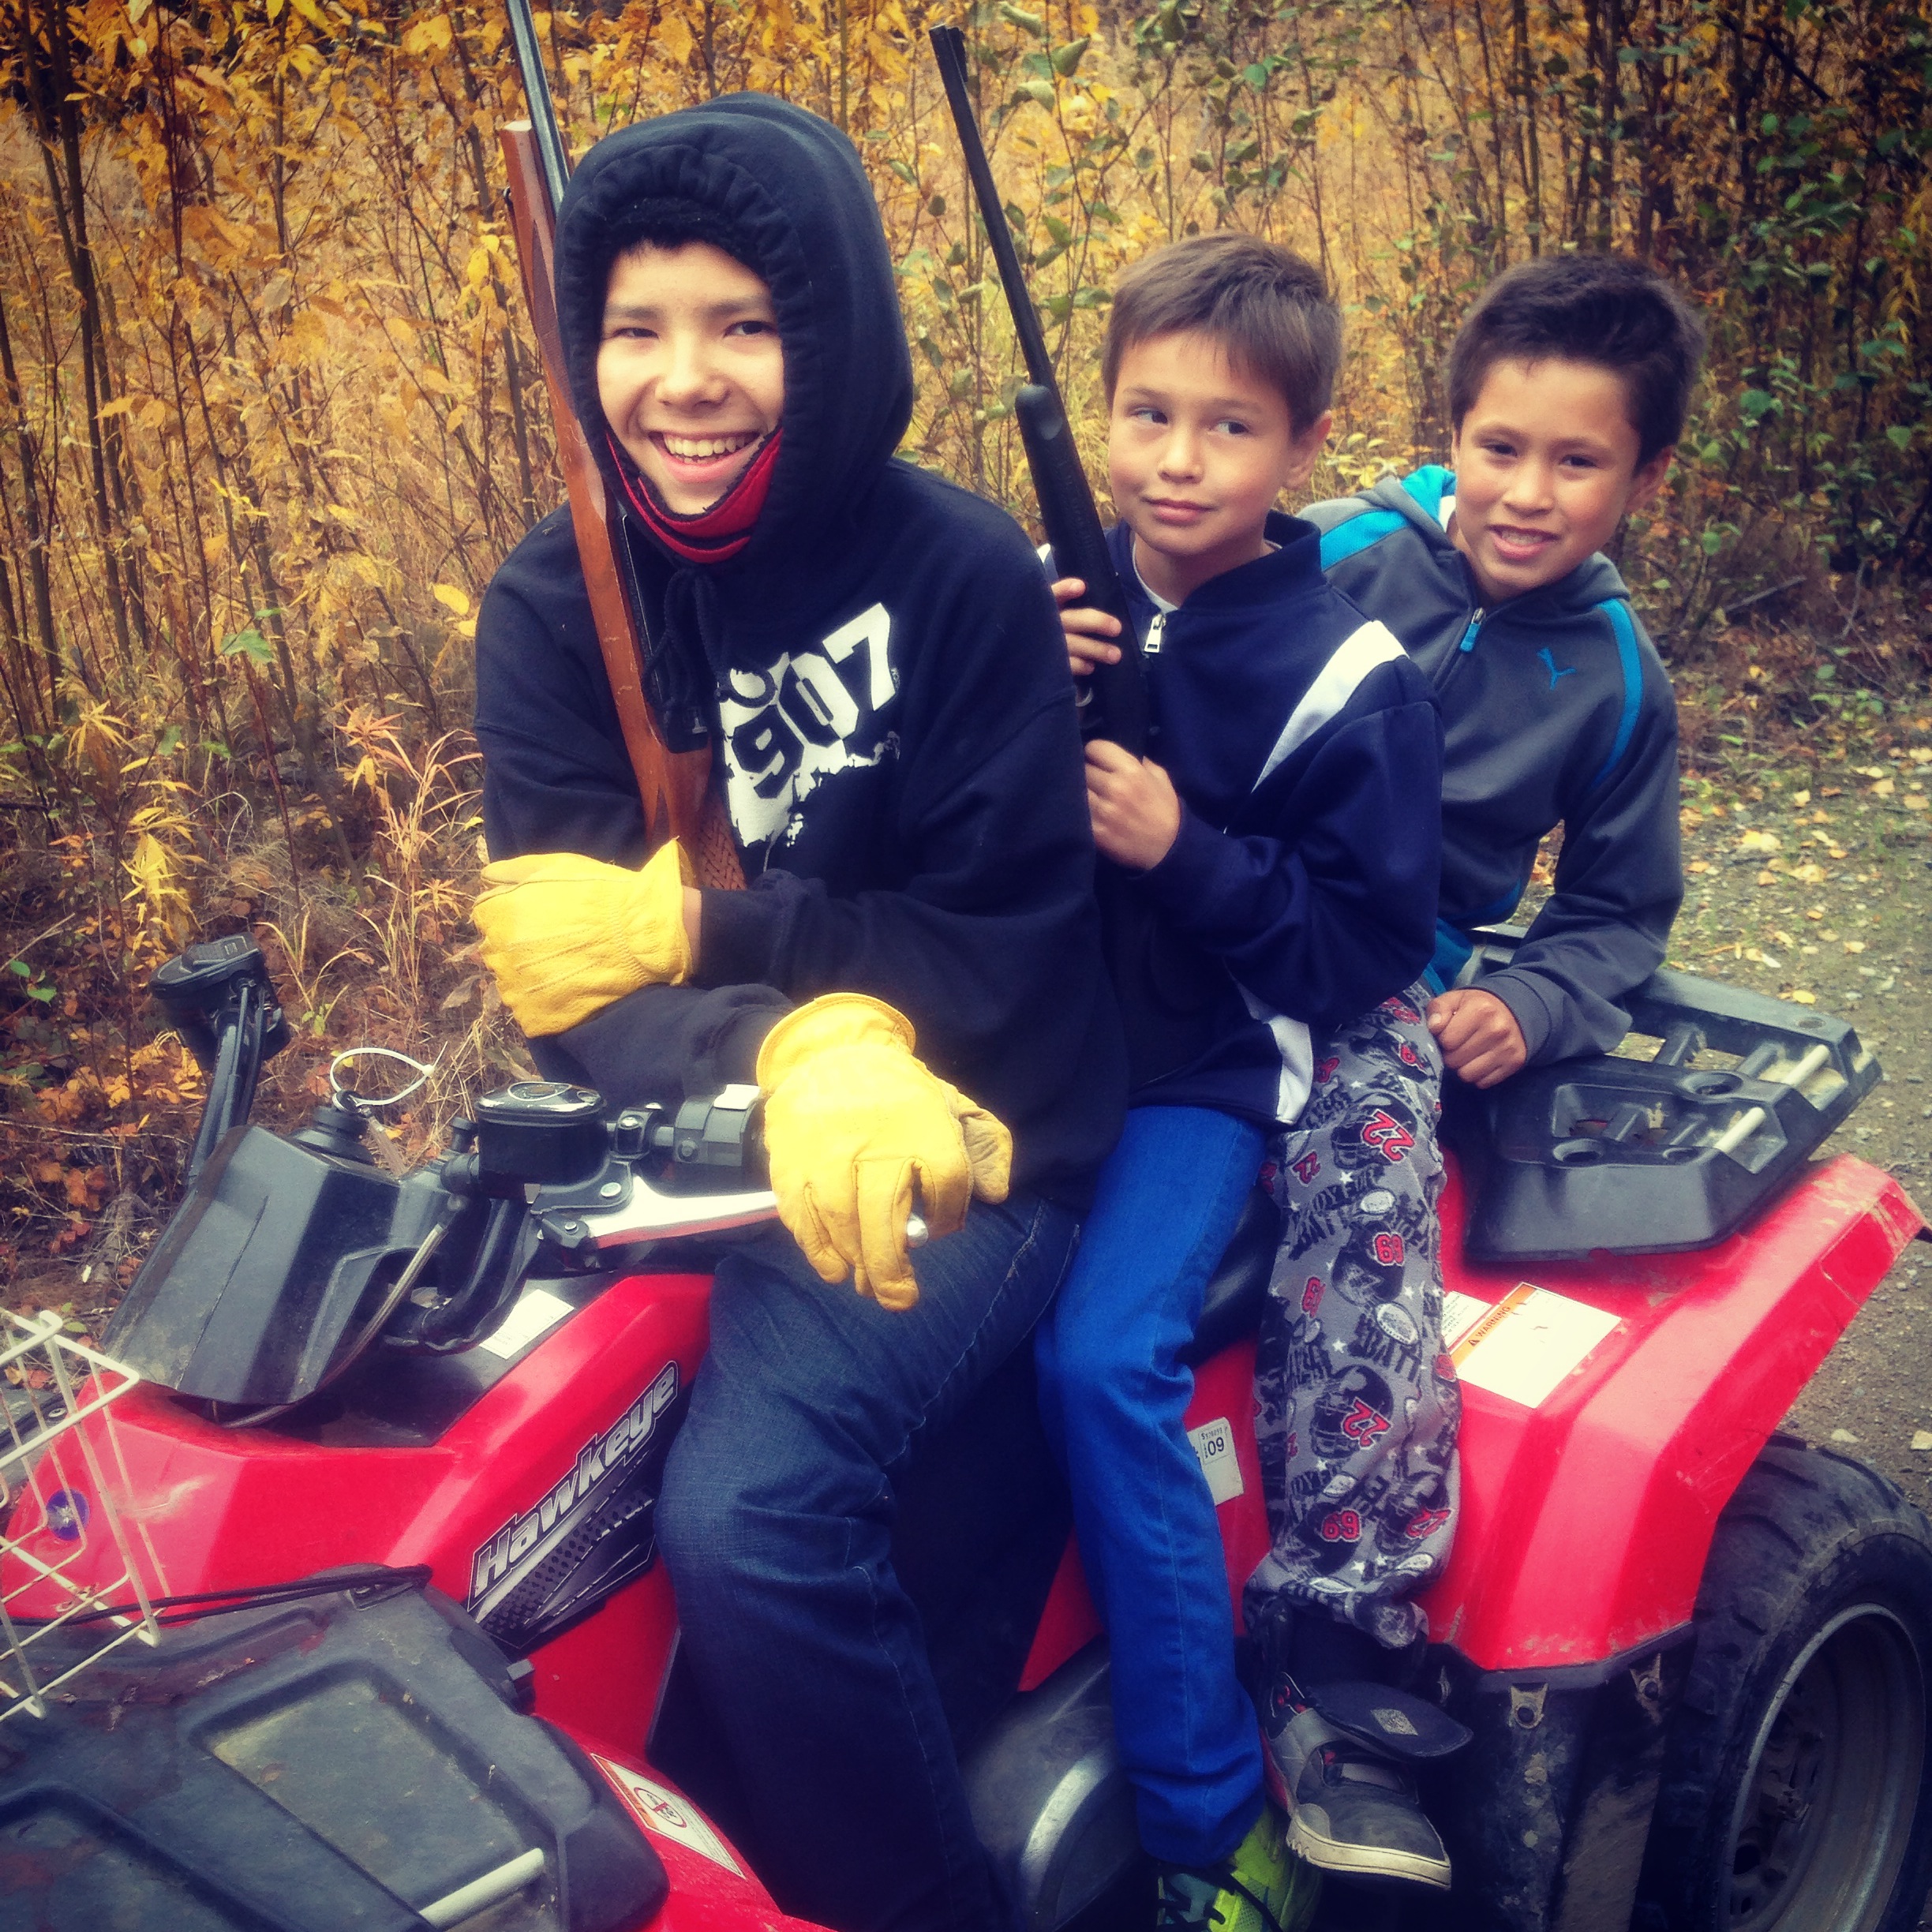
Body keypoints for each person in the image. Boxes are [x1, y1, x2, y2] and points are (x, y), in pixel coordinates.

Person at [470, 95, 1124, 1932]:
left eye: (742, 324)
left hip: (994, 1130)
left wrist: (738, 949)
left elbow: (1007, 956)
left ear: (827, 335)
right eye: (635, 327)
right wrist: (771, 1045)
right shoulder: (553, 607)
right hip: (689, 1141)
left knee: (749, 1519)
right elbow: (574, 987)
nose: (684, 381)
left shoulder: (963, 576)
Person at [1058, 249, 1705, 1895]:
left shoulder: (1616, 678)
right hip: (1183, 922)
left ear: (1642, 477)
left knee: (1363, 1193)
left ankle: (1340, 1641)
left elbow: (1619, 907)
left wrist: (1536, 998)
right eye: (1500, 447)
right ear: (1449, 434)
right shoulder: (1332, 547)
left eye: (1577, 462)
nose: (1526, 494)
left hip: (1385, 979)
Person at [1037, 232, 1443, 1932]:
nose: (1178, 461)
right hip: (1019, 1048)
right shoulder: (1045, 594)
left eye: (1229, 428)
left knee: (1098, 1359)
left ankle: (1208, 1824)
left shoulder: (1351, 677)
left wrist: (1183, 850)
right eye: (1148, 414)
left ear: (1301, 448)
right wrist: (1013, 684)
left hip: (1199, 1075)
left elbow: (1361, 946)